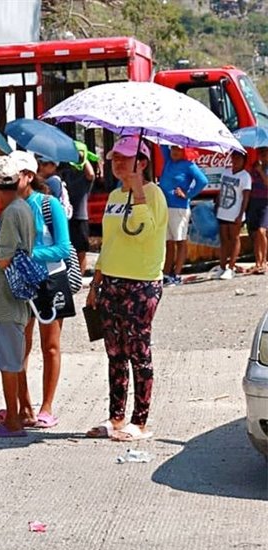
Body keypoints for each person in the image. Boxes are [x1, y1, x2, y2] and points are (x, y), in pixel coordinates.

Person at [85, 136, 167, 442]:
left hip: (142, 284)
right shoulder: (114, 196)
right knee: (114, 353)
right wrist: (96, 282)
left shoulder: (154, 194)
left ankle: (140, 421)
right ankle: (116, 417)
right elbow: (110, 243)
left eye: (125, 158)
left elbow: (145, 233)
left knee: (138, 351)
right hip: (112, 282)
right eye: (114, 158)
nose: (117, 163)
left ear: (142, 163)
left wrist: (139, 194)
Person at [0, 151, 72, 429]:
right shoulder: (8, 207)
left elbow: (62, 247)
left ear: (29, 176)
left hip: (50, 280)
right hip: (21, 282)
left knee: (50, 345)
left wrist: (26, 254)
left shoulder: (48, 205)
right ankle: (22, 404)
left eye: (18, 173)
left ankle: (46, 407)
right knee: (19, 346)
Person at [0, 155, 36, 437]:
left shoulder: (11, 212)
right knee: (13, 358)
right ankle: (18, 413)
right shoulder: (22, 207)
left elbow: (3, 258)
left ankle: (12, 418)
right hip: (15, 297)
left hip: (5, 297)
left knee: (7, 362)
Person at [159, 146, 208, 285]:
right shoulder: (169, 161)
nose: (175, 151)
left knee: (180, 241)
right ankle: (166, 273)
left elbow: (203, 181)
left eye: (178, 149)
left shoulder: (188, 165)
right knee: (168, 242)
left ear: (184, 151)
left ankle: (177, 274)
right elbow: (162, 145)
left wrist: (188, 195)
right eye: (173, 148)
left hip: (178, 208)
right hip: (165, 207)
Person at [58, 141, 97, 274]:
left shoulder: (85, 178)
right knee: (67, 248)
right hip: (65, 215)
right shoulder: (66, 173)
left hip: (80, 217)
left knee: (81, 250)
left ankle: (79, 275)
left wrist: (84, 158)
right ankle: (69, 273)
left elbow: (91, 174)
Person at [212, 150, 251, 280]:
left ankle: (231, 267)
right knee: (223, 240)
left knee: (234, 239)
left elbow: (245, 197)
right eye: (234, 157)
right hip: (223, 210)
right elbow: (221, 191)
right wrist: (217, 205)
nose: (235, 160)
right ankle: (222, 266)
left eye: (239, 158)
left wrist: (241, 214)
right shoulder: (226, 172)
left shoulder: (245, 176)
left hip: (235, 212)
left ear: (243, 160)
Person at [247, 146, 268, 275]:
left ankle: (264, 261)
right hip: (254, 200)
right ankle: (258, 262)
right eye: (260, 153)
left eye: (265, 153)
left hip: (266, 201)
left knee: (262, 231)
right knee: (254, 233)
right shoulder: (255, 166)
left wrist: (261, 172)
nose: (262, 155)